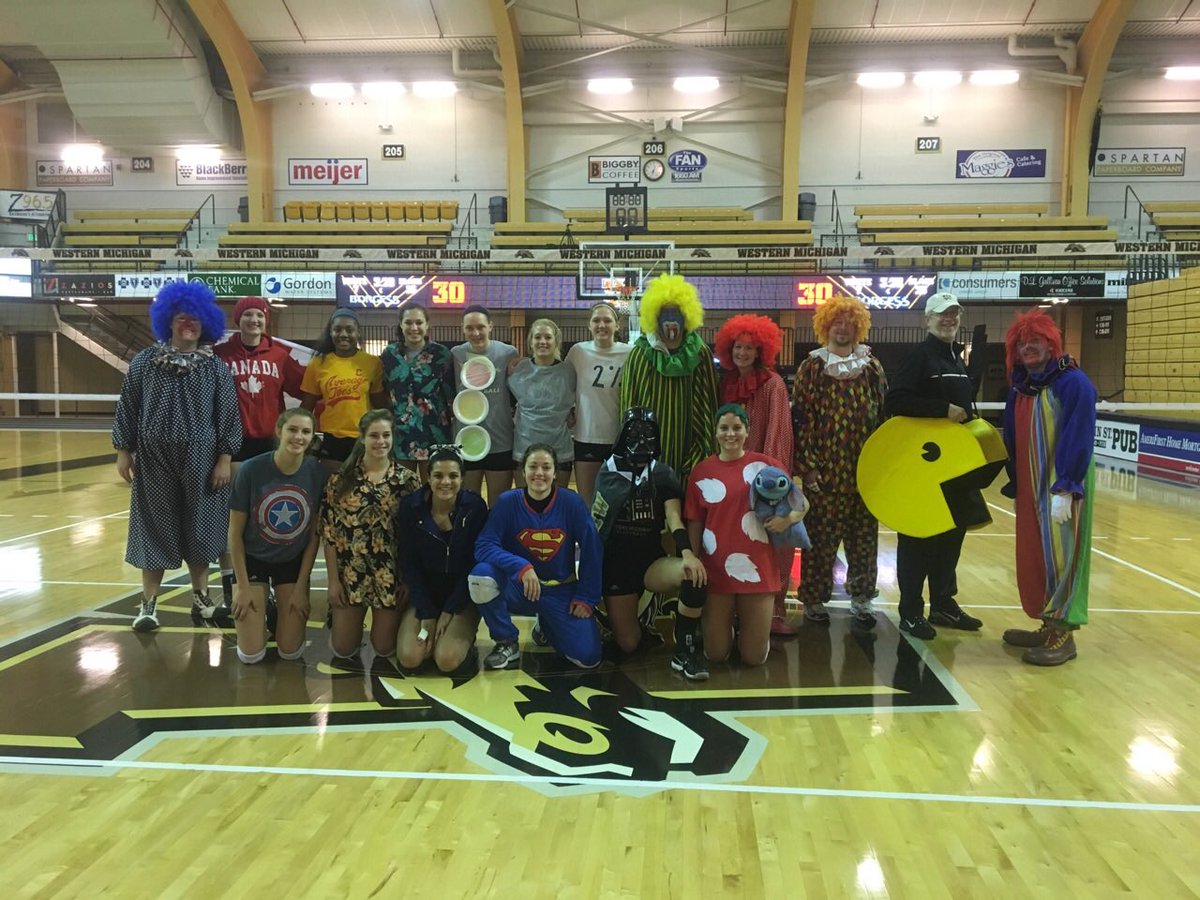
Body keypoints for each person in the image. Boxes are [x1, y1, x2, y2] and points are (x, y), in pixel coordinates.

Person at [112, 281, 242, 632]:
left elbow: (228, 415)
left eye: (196, 319)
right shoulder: (144, 362)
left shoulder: (215, 368)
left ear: (205, 324)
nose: (189, 324)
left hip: (204, 459)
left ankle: (201, 600)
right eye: (182, 318)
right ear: (168, 321)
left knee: (201, 529)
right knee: (153, 527)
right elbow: (128, 406)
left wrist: (224, 458)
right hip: (154, 458)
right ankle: (148, 605)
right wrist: (123, 450)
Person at [884, 291, 985, 639]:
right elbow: (895, 401)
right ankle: (911, 611)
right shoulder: (918, 357)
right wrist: (941, 410)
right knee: (917, 541)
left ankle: (943, 605)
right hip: (922, 469)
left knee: (951, 538)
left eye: (954, 314)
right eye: (942, 314)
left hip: (954, 468)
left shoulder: (956, 359)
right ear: (927, 319)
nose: (949, 319)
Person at [1000, 311, 1096, 666]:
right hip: (1031, 485)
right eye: (1021, 343)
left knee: (1062, 554)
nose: (1028, 347)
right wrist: (1017, 483)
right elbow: (1012, 437)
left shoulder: (1072, 383)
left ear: (1051, 343)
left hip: (1061, 486)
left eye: (1035, 341)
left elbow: (1079, 433)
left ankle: (1063, 633)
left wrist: (1067, 487)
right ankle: (1047, 624)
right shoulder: (1022, 386)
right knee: (1037, 555)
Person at [792, 296, 888, 629]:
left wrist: (881, 466)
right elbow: (801, 418)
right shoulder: (812, 367)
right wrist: (808, 466)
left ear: (858, 327)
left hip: (865, 474)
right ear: (826, 326)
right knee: (820, 542)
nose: (843, 328)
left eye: (849, 323)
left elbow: (883, 416)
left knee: (864, 542)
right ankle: (814, 599)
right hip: (824, 474)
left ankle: (862, 599)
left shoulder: (871, 367)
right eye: (836, 322)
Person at [685, 404, 805, 667]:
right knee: (716, 654)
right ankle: (728, 629)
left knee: (753, 658)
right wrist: (691, 560)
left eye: (737, 428)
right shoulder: (701, 472)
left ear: (747, 431)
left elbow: (801, 504)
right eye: (724, 428)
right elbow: (694, 522)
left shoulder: (766, 466)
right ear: (715, 432)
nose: (730, 434)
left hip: (758, 569)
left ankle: (750, 633)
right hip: (716, 570)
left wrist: (786, 520)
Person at [592, 407, 708, 678]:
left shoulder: (662, 473)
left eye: (648, 433)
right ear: (623, 435)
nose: (641, 440)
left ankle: (686, 650)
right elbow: (596, 524)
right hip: (616, 568)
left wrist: (688, 554)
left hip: (650, 562)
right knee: (629, 643)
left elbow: (674, 517)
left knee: (692, 575)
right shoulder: (608, 471)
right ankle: (624, 620)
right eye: (634, 432)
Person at [469, 444, 604, 670]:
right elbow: (484, 545)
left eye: (546, 467)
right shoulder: (507, 502)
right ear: (523, 471)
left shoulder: (572, 503)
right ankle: (506, 641)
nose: (539, 473)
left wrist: (587, 597)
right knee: (480, 577)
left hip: (561, 589)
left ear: (555, 473)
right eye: (533, 466)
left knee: (588, 658)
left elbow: (592, 549)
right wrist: (521, 566)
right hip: (519, 587)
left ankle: (547, 624)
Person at [214, 295, 306, 613]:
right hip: (233, 446)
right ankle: (233, 585)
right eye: (248, 315)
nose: (254, 320)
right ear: (237, 319)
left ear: (266, 320)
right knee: (235, 518)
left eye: (259, 315)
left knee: (265, 517)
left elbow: (307, 389)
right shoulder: (221, 355)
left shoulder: (280, 355)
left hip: (269, 444)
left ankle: (266, 583)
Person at [714, 314, 796, 636]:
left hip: (763, 481)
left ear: (761, 350)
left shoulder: (773, 384)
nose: (742, 353)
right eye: (737, 347)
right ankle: (737, 609)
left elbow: (778, 434)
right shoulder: (726, 383)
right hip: (730, 478)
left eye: (749, 348)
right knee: (736, 542)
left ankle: (774, 611)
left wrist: (770, 484)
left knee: (771, 545)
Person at [227, 408, 327, 664]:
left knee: (290, 651)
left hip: (291, 561)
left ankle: (275, 609)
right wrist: (242, 588)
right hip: (254, 559)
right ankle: (264, 600)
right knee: (251, 655)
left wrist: (302, 587)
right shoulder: (250, 470)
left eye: (306, 432)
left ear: (312, 437)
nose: (298, 437)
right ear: (279, 431)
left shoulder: (317, 473)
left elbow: (314, 536)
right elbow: (234, 535)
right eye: (292, 429)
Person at [320, 409, 420, 660]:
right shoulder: (340, 480)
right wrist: (333, 582)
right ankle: (339, 618)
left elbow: (415, 537)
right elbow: (329, 533)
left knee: (384, 648)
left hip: (390, 575)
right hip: (350, 574)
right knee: (343, 649)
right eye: (374, 436)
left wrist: (409, 580)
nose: (381, 441)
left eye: (386, 435)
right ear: (362, 438)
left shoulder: (407, 481)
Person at [395, 446, 489, 675]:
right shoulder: (411, 508)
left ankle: (462, 640)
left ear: (462, 479)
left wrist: (450, 609)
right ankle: (434, 634)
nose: (445, 482)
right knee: (410, 658)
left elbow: (474, 564)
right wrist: (427, 611)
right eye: (438, 475)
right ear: (428, 478)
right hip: (425, 594)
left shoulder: (475, 508)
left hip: (461, 597)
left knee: (447, 660)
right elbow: (409, 564)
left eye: (453, 476)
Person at [620, 274, 717, 483]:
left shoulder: (700, 353)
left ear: (687, 315)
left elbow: (708, 406)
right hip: (647, 453)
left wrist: (704, 452)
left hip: (690, 450)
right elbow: (629, 404)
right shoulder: (640, 354)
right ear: (654, 317)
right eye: (665, 313)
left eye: (676, 312)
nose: (671, 319)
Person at [301, 309, 387, 470]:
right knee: (334, 484)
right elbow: (306, 406)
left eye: (349, 329)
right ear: (330, 332)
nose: (343, 334)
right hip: (333, 438)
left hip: (364, 437)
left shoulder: (373, 363)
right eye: (337, 329)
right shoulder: (318, 364)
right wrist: (302, 434)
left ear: (358, 332)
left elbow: (380, 403)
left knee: (363, 484)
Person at [379, 302, 455, 480]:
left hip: (434, 432)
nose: (414, 328)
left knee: (433, 487)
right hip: (401, 434)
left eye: (419, 322)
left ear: (427, 325)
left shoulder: (441, 354)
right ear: (401, 324)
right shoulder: (390, 354)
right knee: (402, 487)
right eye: (408, 322)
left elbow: (450, 393)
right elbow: (383, 389)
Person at [565, 301, 631, 506]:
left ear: (617, 325)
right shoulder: (578, 351)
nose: (601, 325)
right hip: (587, 437)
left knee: (618, 504)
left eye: (607, 321)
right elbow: (561, 382)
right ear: (589, 325)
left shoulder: (630, 352)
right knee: (588, 502)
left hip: (620, 439)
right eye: (596, 320)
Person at [451, 305, 519, 502]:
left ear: (490, 326)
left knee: (498, 504)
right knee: (468, 504)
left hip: (500, 439)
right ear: (463, 329)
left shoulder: (508, 353)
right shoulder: (455, 354)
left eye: (480, 327)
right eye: (469, 328)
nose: (476, 333)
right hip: (466, 439)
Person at [509, 318, 576, 489]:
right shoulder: (518, 370)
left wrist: (572, 412)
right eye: (537, 337)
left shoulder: (569, 371)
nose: (543, 341)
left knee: (558, 500)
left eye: (548, 337)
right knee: (525, 500)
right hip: (524, 447)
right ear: (531, 342)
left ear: (556, 341)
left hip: (559, 448)